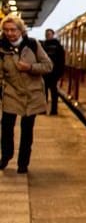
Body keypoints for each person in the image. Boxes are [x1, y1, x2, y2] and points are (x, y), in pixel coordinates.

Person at [0, 14, 53, 174]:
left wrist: (30, 68)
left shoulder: (33, 44)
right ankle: (6, 156)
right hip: (12, 92)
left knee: (27, 129)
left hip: (32, 94)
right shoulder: (1, 48)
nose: (10, 33)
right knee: (6, 127)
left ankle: (23, 163)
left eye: (13, 30)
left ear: (21, 30)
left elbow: (48, 66)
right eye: (6, 30)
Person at [40, 28, 66, 115]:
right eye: (46, 34)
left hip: (54, 73)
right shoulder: (43, 45)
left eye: (49, 34)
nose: (47, 36)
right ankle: (44, 109)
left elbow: (61, 61)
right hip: (45, 73)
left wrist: (59, 73)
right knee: (44, 92)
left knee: (53, 92)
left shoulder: (58, 46)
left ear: (52, 35)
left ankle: (54, 110)